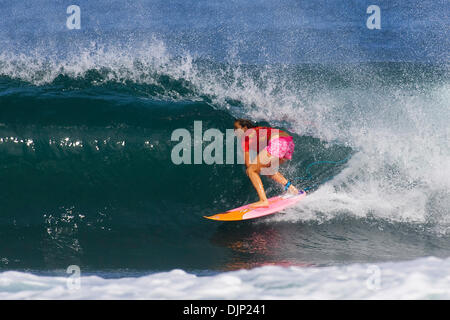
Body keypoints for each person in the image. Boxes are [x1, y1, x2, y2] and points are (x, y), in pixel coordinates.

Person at [234, 118, 299, 208]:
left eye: (236, 128)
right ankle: (292, 189)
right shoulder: (259, 129)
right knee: (268, 170)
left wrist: (252, 171)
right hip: (289, 143)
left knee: (251, 170)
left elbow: (249, 165)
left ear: (245, 128)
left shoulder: (246, 137)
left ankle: (263, 200)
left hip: (278, 143)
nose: (235, 131)